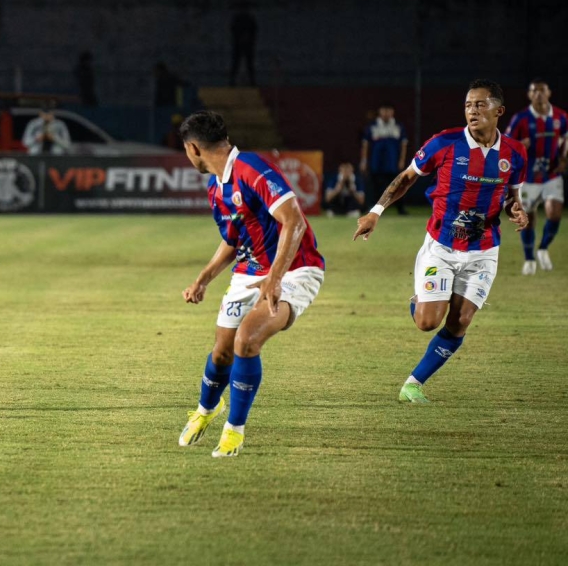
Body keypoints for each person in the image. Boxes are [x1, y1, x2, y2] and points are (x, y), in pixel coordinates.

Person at [353, 79, 529, 404]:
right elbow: (407, 177)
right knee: (427, 322)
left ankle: (413, 384)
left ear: (499, 111)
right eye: (468, 105)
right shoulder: (444, 143)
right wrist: (376, 211)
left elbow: (510, 196)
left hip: (484, 251)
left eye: (480, 104)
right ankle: (422, 298)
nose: (472, 111)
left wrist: (516, 209)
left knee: (461, 321)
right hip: (442, 248)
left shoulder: (515, 153)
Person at [176, 110, 325, 458]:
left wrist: (274, 278)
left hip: (295, 270)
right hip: (249, 272)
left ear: (194, 149)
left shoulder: (252, 169)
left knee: (247, 340)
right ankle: (206, 410)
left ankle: (234, 431)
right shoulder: (216, 187)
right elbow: (233, 240)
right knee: (222, 350)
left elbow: (295, 222)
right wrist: (203, 279)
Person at [503, 77, 567, 274]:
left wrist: (564, 158)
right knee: (527, 219)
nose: (538, 94)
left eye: (542, 90)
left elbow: (566, 138)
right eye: (534, 91)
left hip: (551, 175)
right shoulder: (520, 119)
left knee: (555, 213)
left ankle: (543, 248)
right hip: (528, 178)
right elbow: (506, 145)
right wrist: (520, 146)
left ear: (549, 93)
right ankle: (529, 258)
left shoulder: (561, 116)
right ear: (529, 95)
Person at [359, 102, 409, 215]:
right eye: (384, 110)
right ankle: (372, 208)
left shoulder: (398, 126)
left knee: (398, 185)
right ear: (380, 112)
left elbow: (404, 145)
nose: (386, 113)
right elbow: (365, 145)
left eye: (388, 110)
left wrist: (402, 160)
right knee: (374, 186)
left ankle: (400, 209)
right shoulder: (372, 126)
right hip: (376, 162)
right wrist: (364, 160)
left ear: (392, 112)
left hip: (392, 162)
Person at [229, 6, 258, 86]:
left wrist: (247, 38)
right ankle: (232, 81)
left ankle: (252, 81)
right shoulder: (238, 19)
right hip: (239, 45)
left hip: (246, 45)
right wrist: (240, 38)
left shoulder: (249, 19)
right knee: (237, 64)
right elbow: (233, 30)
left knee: (248, 64)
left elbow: (254, 31)